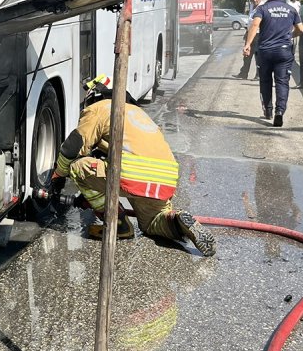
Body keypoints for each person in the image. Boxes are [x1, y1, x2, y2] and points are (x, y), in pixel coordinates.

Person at [48, 75, 216, 256]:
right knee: (152, 223)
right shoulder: (139, 114)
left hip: (132, 172)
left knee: (78, 168)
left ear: (97, 97)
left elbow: (74, 145)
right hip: (165, 177)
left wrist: (58, 175)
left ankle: (118, 225)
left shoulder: (100, 108)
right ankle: (176, 221)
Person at [242, 0, 303, 128]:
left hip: (265, 51)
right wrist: (290, 35)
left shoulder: (263, 8)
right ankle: (280, 112)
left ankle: (268, 111)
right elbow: (301, 29)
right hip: (284, 51)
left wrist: (248, 44)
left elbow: (255, 25)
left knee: (265, 81)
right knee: (282, 82)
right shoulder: (291, 9)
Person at [232, 0, 265, 79]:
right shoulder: (251, 6)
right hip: (249, 33)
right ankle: (243, 73)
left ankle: (259, 75)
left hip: (259, 34)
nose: (254, 0)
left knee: (258, 56)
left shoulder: (263, 7)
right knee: (247, 55)